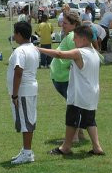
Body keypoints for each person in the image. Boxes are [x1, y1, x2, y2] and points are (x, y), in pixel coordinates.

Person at [38, 26, 104, 156]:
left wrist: (37, 48)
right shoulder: (94, 53)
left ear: (84, 39)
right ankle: (97, 147)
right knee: (90, 120)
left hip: (79, 94)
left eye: (76, 37)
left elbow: (59, 54)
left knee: (71, 120)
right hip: (92, 93)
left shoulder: (80, 52)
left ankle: (65, 147)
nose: (73, 39)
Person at [7, 22, 40, 164]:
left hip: (24, 91)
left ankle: (27, 152)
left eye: (15, 33)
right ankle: (26, 150)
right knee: (26, 120)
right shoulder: (33, 48)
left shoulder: (20, 51)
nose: (14, 36)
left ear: (19, 34)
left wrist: (14, 94)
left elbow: (18, 72)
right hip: (29, 88)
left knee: (26, 122)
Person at [50, 11, 85, 142]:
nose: (62, 25)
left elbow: (78, 56)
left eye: (65, 23)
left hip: (65, 78)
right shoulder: (71, 36)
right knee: (74, 105)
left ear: (74, 24)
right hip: (62, 78)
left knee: (73, 107)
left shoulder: (72, 37)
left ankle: (74, 137)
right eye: (62, 22)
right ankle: (79, 134)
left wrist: (70, 66)